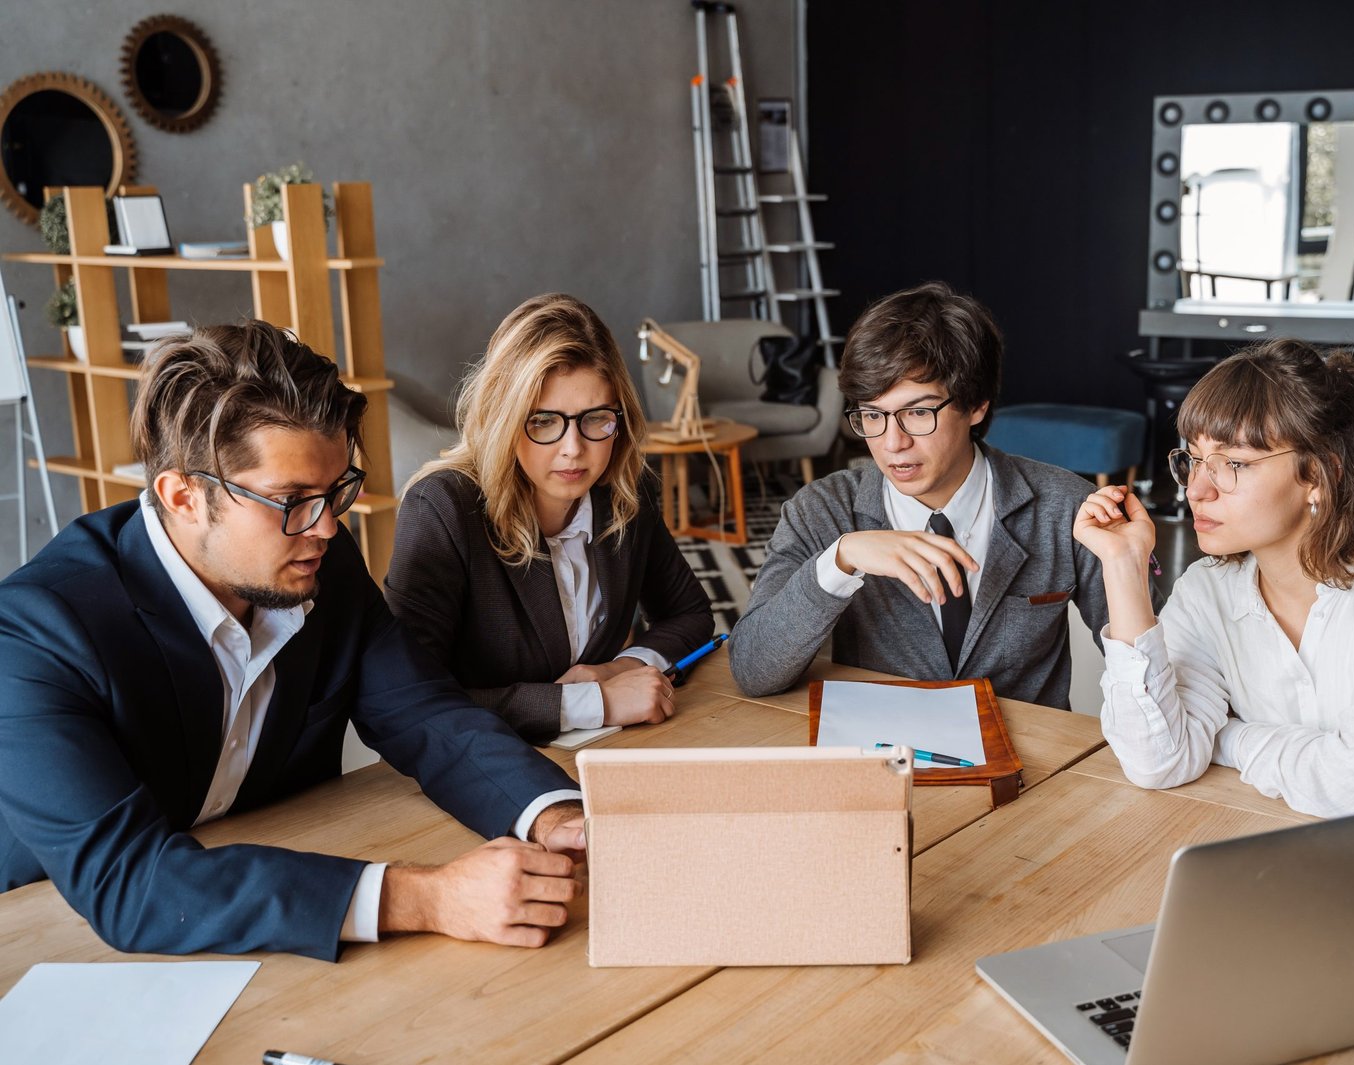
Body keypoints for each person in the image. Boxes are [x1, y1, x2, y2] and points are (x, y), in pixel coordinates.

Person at [0, 321, 591, 961]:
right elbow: (131, 885)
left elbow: (425, 715)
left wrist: (557, 819)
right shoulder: (37, 632)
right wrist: (429, 897)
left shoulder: (316, 565)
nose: (328, 528)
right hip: (49, 936)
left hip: (273, 905)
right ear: (184, 496)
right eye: (292, 499)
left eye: (337, 490)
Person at [1074, 338, 1354, 817]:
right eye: (1194, 459)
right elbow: (1156, 762)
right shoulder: (1207, 589)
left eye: (1235, 463)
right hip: (1282, 851)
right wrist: (1124, 567)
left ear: (1318, 475)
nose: (1197, 490)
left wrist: (1229, 737)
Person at [730, 281, 1112, 707]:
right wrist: (840, 561)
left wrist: (1128, 562)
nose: (892, 443)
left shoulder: (1068, 508)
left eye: (917, 412)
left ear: (976, 405)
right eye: (872, 415)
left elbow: (1161, 674)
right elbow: (752, 670)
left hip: (1034, 765)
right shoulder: (820, 511)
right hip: (880, 760)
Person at [385, 294, 712, 742]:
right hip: (482, 767)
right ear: (504, 418)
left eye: (596, 419)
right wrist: (594, 703)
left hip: (605, 750)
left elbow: (689, 613)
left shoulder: (625, 490)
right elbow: (409, 698)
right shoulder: (442, 508)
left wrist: (620, 667)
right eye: (542, 421)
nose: (574, 448)